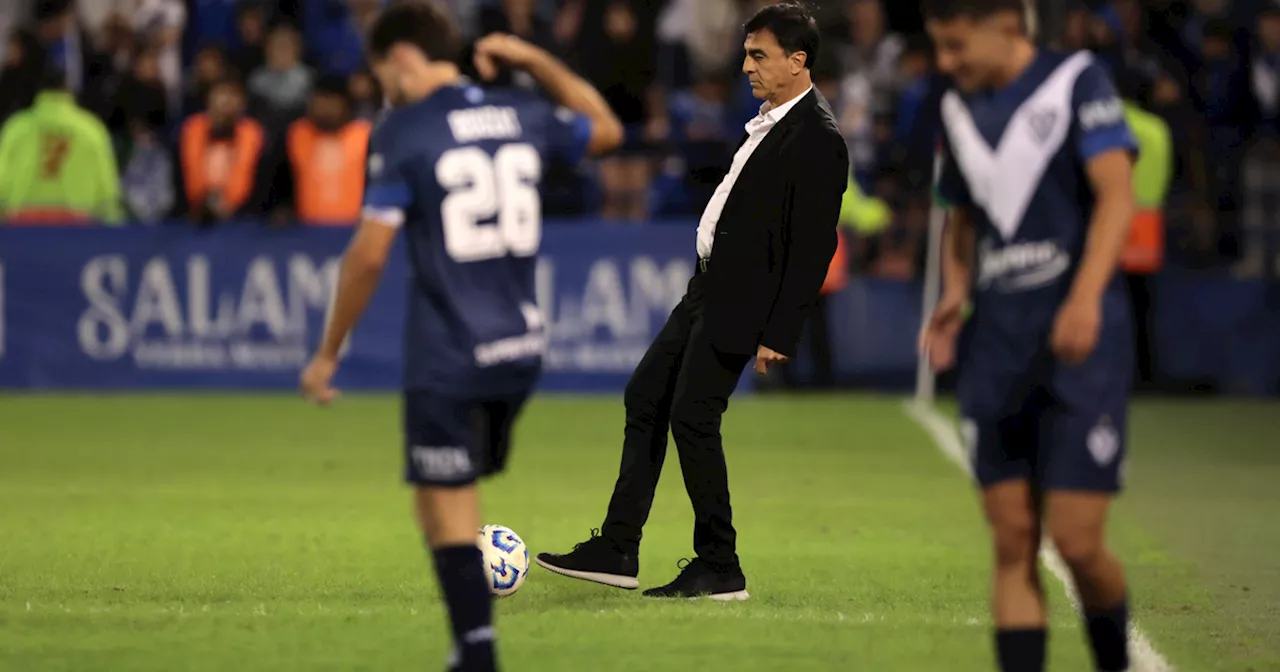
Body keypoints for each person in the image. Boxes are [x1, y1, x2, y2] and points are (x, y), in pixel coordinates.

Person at [297, 2, 622, 671]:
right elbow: (609, 131)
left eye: (382, 71)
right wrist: (532, 59)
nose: (383, 86)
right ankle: (471, 648)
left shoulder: (404, 128)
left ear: (404, 59)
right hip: (523, 349)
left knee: (443, 506)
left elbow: (367, 255)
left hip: (449, 351)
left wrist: (328, 352)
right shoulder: (523, 114)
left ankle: (476, 652)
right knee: (444, 489)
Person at [536, 3, 849, 600]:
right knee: (647, 395)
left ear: (797, 60)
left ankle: (719, 565)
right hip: (707, 288)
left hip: (742, 296)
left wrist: (781, 331)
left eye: (759, 55)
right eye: (747, 52)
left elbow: (814, 245)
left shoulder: (817, 137)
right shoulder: (771, 120)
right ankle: (619, 547)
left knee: (693, 416)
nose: (746, 65)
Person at [917, 1, 1138, 671]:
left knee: (1075, 541)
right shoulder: (957, 111)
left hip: (1079, 343)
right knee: (1013, 541)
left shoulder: (1077, 81)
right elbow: (959, 218)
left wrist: (1085, 296)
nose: (946, 63)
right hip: (996, 346)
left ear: (1008, 23)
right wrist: (957, 291)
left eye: (956, 45)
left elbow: (1117, 195)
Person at [0, 67, 121, 225]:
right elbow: (107, 190)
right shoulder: (91, 130)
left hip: (22, 228)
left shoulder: (16, 128)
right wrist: (114, 229)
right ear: (69, 90)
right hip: (78, 228)